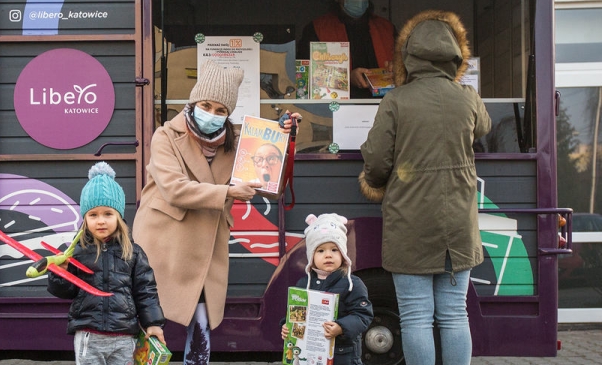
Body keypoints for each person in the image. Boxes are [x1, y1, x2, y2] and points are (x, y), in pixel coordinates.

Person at [133, 59, 300, 364]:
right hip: (162, 246)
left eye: (221, 110)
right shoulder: (165, 136)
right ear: (193, 102)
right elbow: (174, 189)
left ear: (229, 114)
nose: (212, 114)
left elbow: (271, 188)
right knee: (150, 322)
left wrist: (284, 139)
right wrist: (227, 192)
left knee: (200, 327)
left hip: (205, 252)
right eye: (206, 105)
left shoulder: (240, 144)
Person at [359, 10, 492, 365]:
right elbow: (484, 129)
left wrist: (372, 183)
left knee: (416, 317)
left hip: (410, 222)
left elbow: (376, 160)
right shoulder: (467, 97)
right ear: (455, 55)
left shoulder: (396, 101)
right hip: (458, 226)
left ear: (409, 57)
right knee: (454, 315)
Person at [47, 162, 166, 365]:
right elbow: (65, 292)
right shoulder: (76, 252)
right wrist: (59, 273)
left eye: (108, 214)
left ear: (119, 216)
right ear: (85, 218)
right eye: (93, 215)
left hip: (124, 337)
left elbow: (146, 291)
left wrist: (153, 324)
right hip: (88, 335)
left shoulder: (133, 253)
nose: (100, 221)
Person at [279, 213, 373, 365]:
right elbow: (295, 315)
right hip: (311, 356)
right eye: (321, 251)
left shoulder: (353, 284)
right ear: (311, 256)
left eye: (334, 250)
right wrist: (286, 326)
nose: (328, 255)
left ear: (343, 253)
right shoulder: (303, 284)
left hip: (343, 357)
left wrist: (341, 327)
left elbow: (363, 316)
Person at [297, 0, 397, 99]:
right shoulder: (317, 28)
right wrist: (347, 78)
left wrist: (397, 67)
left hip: (385, 105)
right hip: (337, 108)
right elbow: (304, 75)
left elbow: (407, 67)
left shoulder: (387, 28)